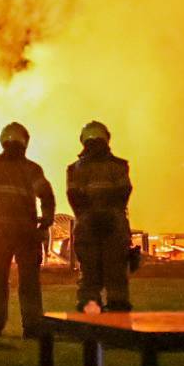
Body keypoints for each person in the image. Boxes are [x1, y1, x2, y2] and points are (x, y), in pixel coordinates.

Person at [0, 122, 56, 337]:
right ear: (25, 143)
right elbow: (47, 196)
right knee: (29, 282)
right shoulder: (31, 169)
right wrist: (46, 221)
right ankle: (32, 326)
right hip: (26, 233)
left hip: (1, 233)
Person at [66, 120, 133, 313]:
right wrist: (109, 215)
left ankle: (92, 323)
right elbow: (124, 193)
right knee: (116, 275)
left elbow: (74, 198)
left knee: (90, 276)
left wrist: (90, 216)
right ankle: (119, 322)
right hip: (114, 227)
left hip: (87, 228)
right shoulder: (119, 166)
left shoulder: (74, 169)